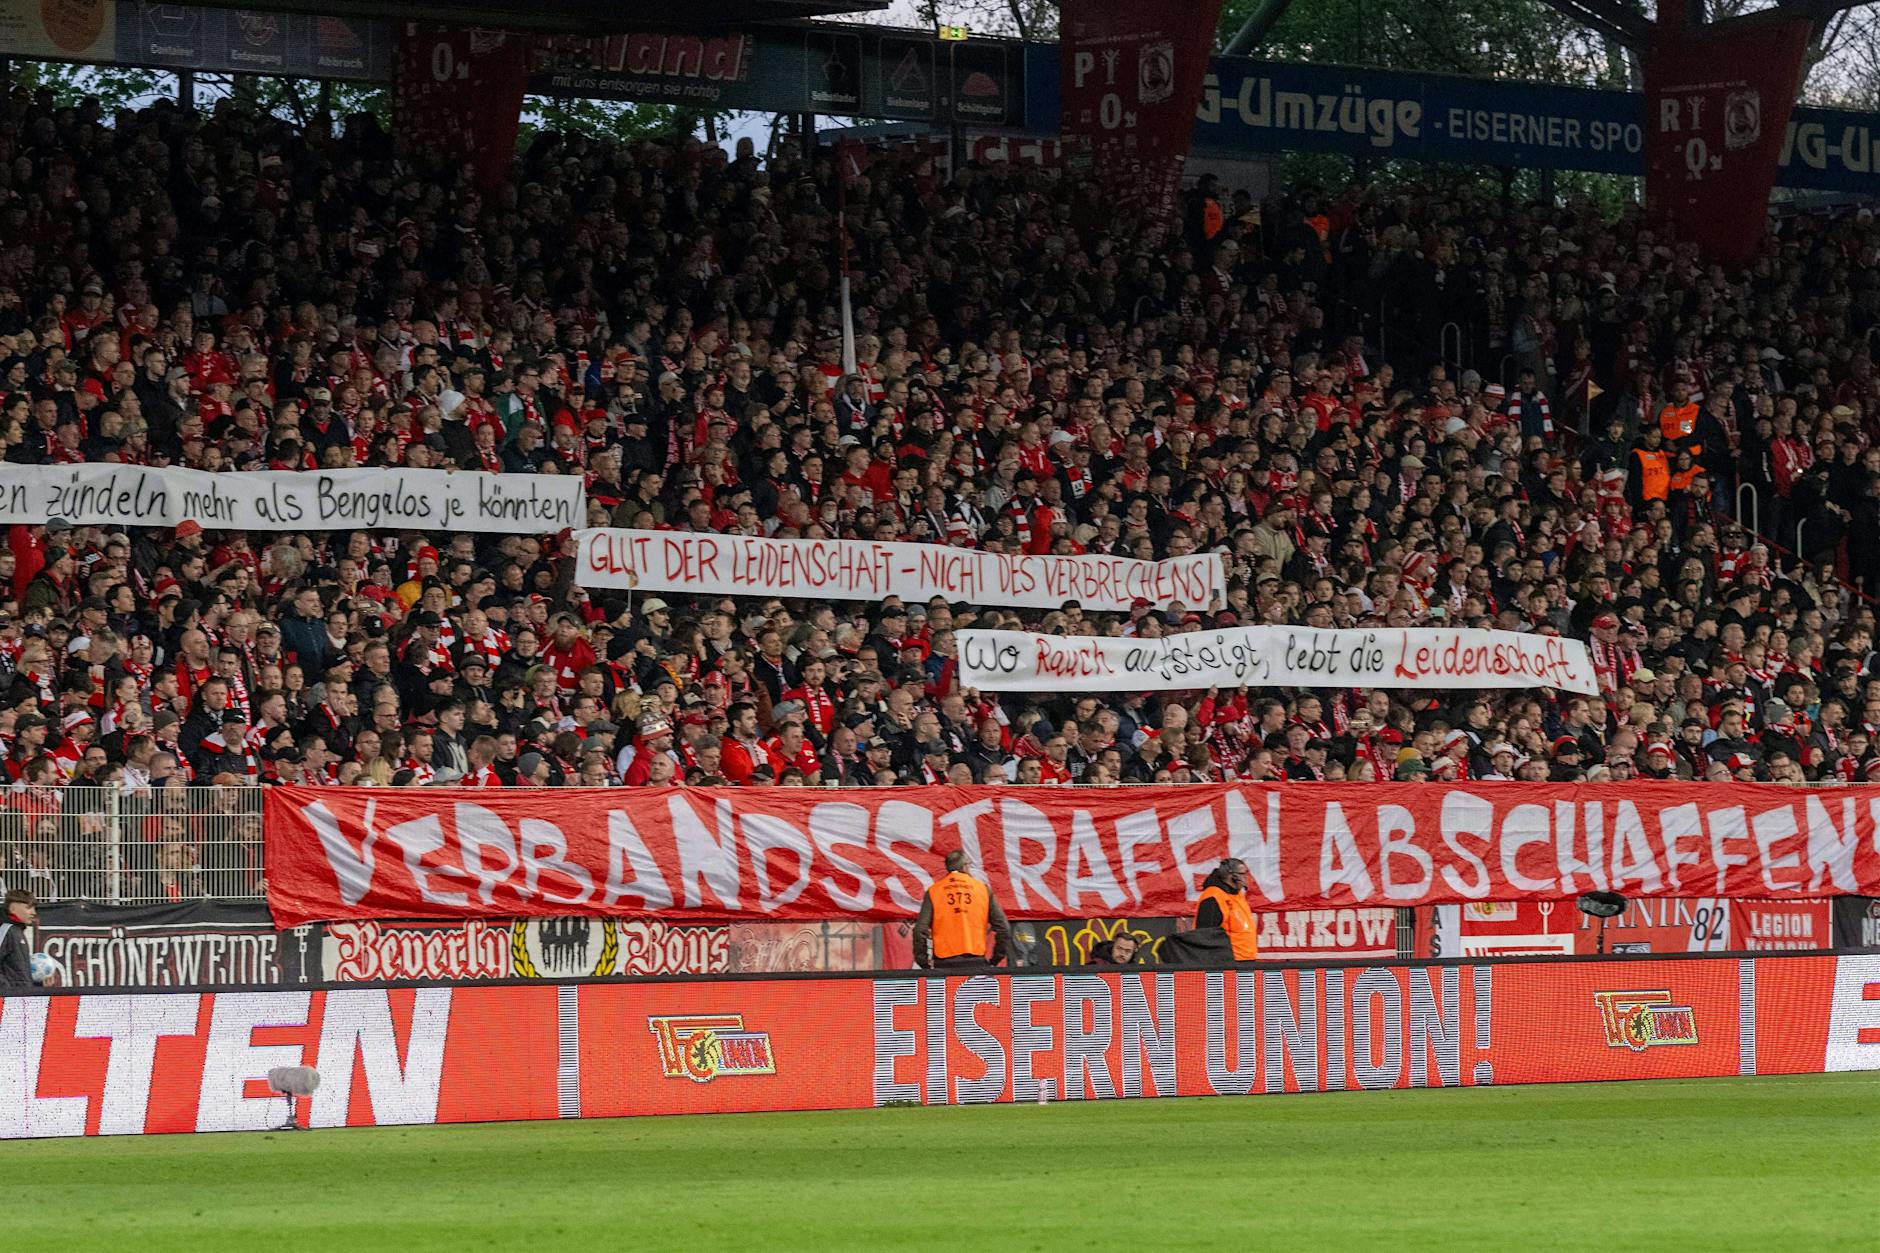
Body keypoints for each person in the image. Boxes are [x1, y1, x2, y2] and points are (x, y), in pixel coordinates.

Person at [911, 849, 1015, 970]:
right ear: (965, 866)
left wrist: (923, 962)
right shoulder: (982, 889)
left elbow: (919, 930)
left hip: (943, 963)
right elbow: (1004, 928)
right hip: (976, 962)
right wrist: (995, 959)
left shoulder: (934, 891)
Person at [1195, 858, 1259, 961]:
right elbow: (1206, 935)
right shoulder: (1213, 897)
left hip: (1245, 959)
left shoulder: (1237, 894)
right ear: (1232, 876)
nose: (1246, 877)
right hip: (1228, 962)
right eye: (1242, 874)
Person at [0, 889, 38, 985]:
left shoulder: (17, 932)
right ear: (12, 909)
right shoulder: (5, 930)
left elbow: (20, 976)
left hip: (21, 993)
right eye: (28, 907)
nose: (33, 912)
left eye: (34, 908)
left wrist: (39, 984)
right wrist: (7, 989)